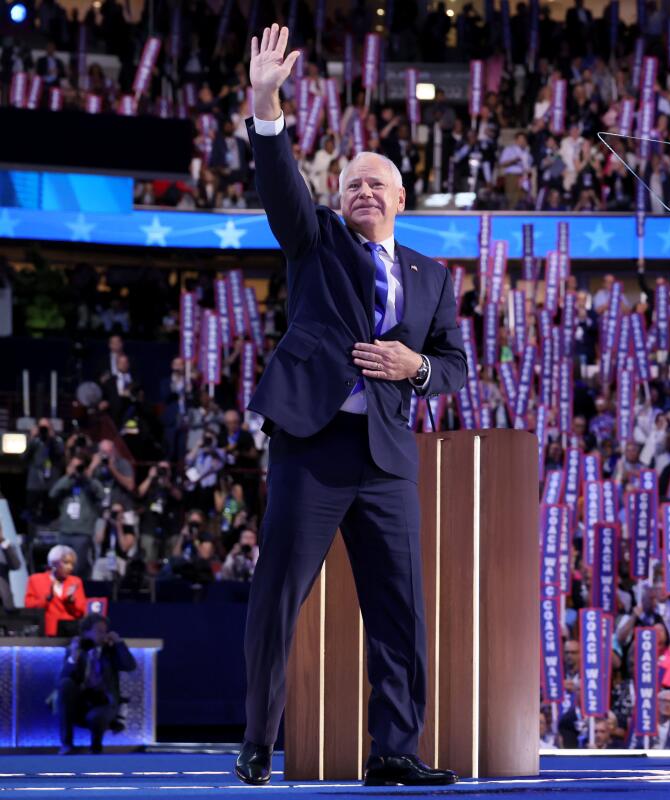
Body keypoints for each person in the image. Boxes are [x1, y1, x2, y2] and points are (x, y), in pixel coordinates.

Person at [236, 25, 466, 788]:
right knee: (277, 598)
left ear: (403, 198)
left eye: (377, 183)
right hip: (313, 444)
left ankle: (394, 750)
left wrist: (417, 368)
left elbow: (456, 365)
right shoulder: (316, 242)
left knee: (402, 614)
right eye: (351, 183)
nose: (363, 190)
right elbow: (281, 185)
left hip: (389, 459)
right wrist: (266, 104)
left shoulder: (434, 277)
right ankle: (257, 743)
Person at [56, 613, 136, 754]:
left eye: (105, 631)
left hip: (103, 702)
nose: (103, 634)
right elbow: (63, 678)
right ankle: (66, 744)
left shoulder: (110, 651)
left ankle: (96, 748)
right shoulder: (77, 649)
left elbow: (130, 666)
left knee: (97, 717)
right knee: (65, 684)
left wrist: (118, 643)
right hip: (81, 702)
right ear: (86, 632)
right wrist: (74, 656)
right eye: (99, 631)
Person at [24, 545, 87, 636]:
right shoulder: (35, 580)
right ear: (53, 563)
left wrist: (71, 601)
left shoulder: (75, 582)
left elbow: (81, 612)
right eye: (66, 563)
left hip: (69, 632)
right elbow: (29, 606)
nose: (70, 567)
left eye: (72, 564)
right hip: (46, 631)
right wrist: (46, 599)